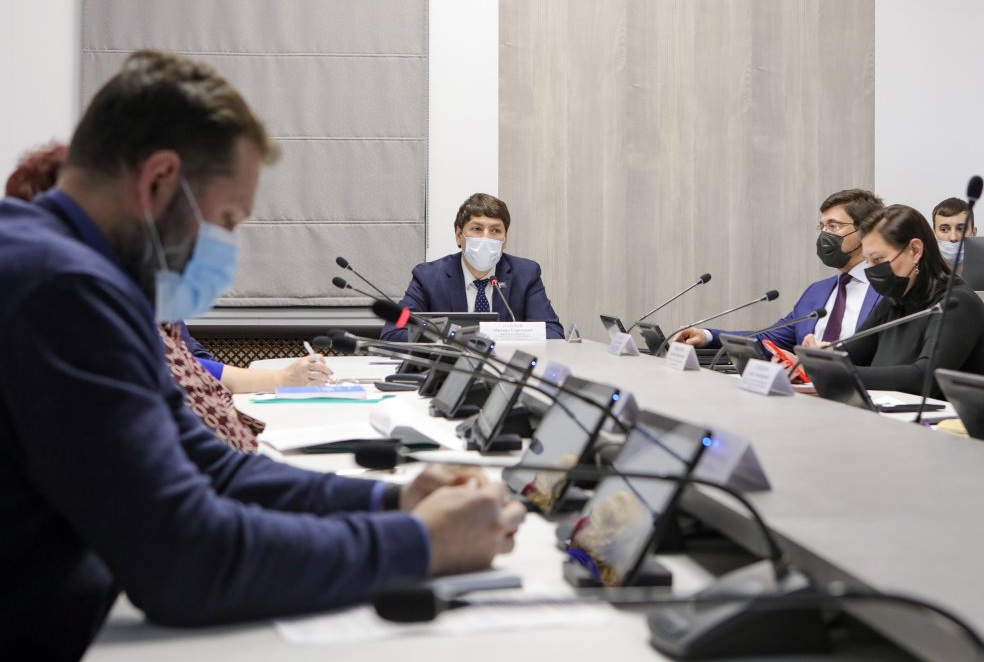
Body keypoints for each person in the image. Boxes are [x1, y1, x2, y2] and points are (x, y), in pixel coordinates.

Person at [0, 50, 525, 658]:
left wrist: (395, 501)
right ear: (159, 180)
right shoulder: (62, 289)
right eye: (226, 219)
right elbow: (184, 562)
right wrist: (421, 544)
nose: (229, 244)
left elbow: (214, 469)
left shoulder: (84, 273)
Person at [4, 141, 331, 452]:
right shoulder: (78, 319)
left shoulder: (145, 292)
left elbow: (193, 364)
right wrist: (274, 382)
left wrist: (228, 409)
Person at [811, 204, 984, 396]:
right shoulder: (894, 301)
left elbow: (925, 379)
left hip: (955, 415)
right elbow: (852, 355)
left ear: (914, 250)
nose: (870, 269)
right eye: (867, 260)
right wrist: (821, 358)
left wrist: (841, 372)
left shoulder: (956, 303)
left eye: (878, 260)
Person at [674, 189, 885, 353]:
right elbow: (770, 339)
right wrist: (707, 336)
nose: (824, 235)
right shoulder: (817, 292)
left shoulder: (887, 290)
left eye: (834, 226)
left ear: (865, 231)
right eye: (821, 227)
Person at [382, 192, 564, 341]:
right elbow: (393, 332)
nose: (486, 237)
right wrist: (450, 340)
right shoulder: (428, 277)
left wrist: (501, 337)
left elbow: (553, 333)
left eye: (495, 230)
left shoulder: (525, 274)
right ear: (458, 235)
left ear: (505, 239)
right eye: (477, 229)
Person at [931, 196, 977, 270]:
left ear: (973, 233)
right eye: (944, 229)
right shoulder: (922, 271)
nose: (953, 238)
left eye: (961, 229)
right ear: (933, 234)